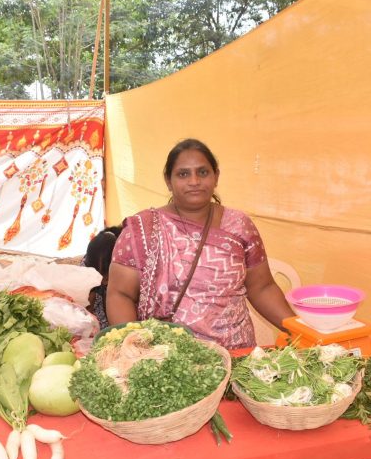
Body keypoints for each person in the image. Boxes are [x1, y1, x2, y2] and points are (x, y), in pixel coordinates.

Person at [106, 138, 295, 349]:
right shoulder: (142, 229)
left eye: (203, 172)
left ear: (216, 177)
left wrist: (299, 330)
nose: (194, 181)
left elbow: (262, 287)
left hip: (236, 354)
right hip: (167, 358)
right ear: (168, 181)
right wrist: (135, 350)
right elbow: (120, 294)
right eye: (183, 174)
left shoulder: (239, 225)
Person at [83, 225, 122, 329]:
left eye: (105, 277)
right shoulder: (85, 273)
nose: (104, 281)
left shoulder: (126, 267)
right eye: (100, 276)